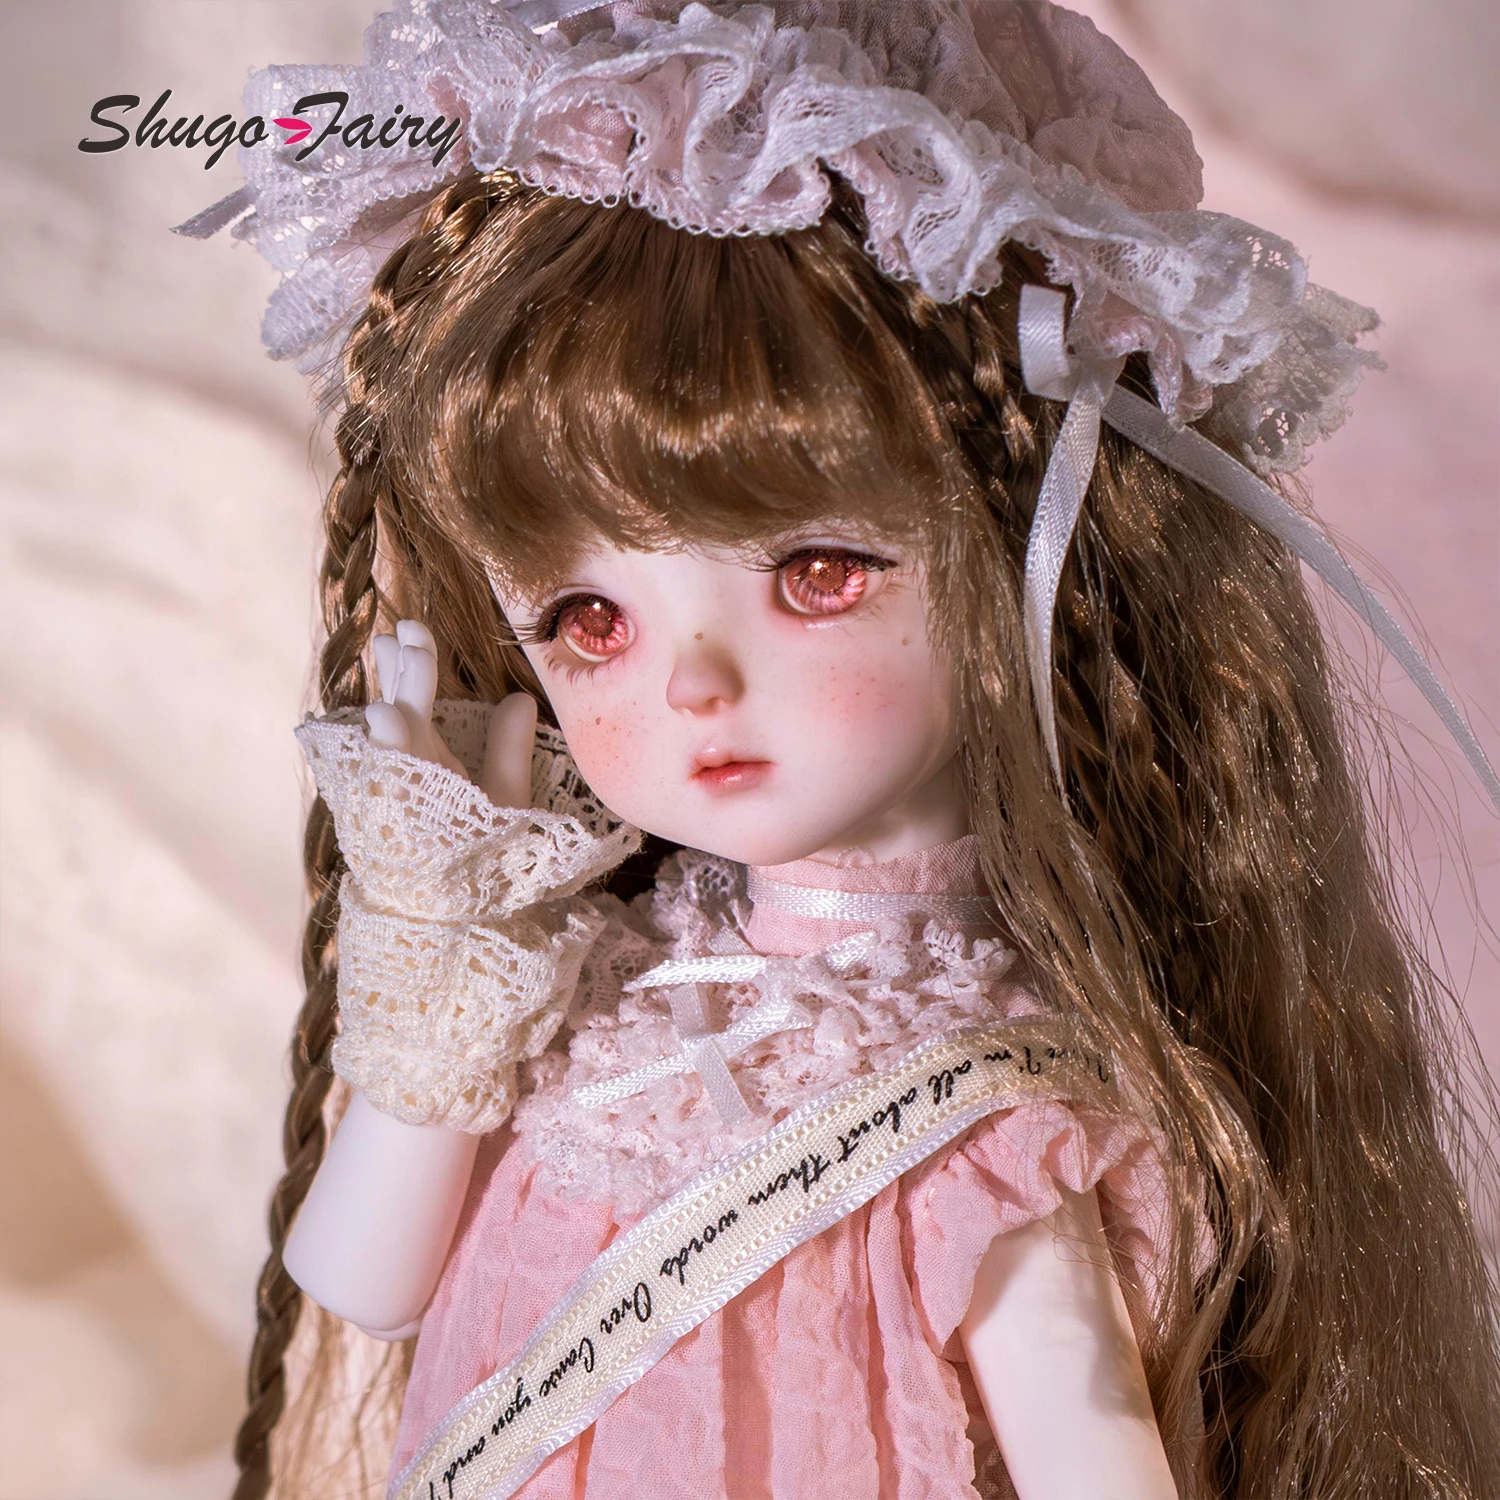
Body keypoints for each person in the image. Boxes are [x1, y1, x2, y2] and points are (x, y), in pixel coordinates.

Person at [176, 3, 1500, 1496]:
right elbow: (363, 1282)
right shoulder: (578, 1004)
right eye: (590, 620)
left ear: (1032, 562)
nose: (695, 684)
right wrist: (440, 958)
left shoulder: (989, 1127)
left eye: (816, 575)